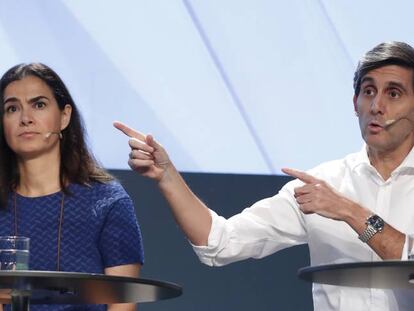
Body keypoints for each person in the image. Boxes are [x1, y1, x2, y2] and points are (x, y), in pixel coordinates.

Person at [114, 41, 414, 310]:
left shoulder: (331, 197)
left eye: (394, 93)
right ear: (354, 103)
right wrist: (167, 175)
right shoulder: (323, 183)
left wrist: (349, 211)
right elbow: (219, 243)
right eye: (368, 91)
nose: (376, 106)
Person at [0, 63, 144, 311]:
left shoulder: (108, 201)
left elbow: (123, 304)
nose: (25, 118)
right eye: (12, 108)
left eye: (39, 105)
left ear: (64, 116)